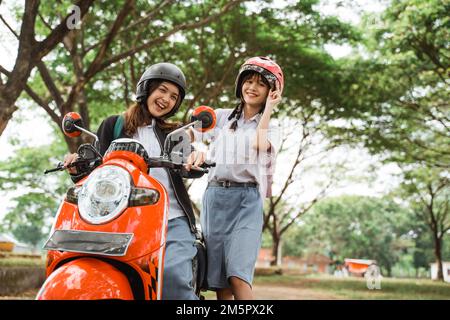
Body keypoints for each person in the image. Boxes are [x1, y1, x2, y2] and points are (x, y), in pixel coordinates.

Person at [64, 62, 203, 300]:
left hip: (171, 217)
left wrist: (196, 157)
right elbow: (97, 172)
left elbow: (189, 166)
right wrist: (77, 166)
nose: (166, 99)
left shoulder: (176, 133)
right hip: (120, 218)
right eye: (162, 90)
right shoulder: (114, 125)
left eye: (173, 96)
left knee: (171, 276)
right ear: (146, 89)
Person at [187, 56, 284, 300]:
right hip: (215, 198)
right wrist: (194, 149)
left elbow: (259, 143)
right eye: (248, 81)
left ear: (271, 91)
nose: (252, 88)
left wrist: (269, 110)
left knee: (238, 276)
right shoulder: (221, 116)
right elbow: (187, 132)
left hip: (247, 200)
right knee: (221, 284)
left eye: (261, 84)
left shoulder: (272, 126)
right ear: (240, 83)